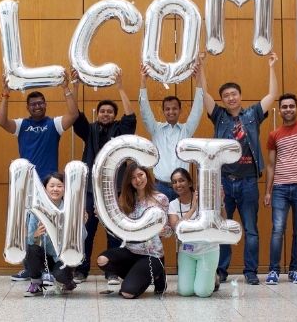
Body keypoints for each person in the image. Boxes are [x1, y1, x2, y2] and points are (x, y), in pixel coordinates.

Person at [203, 52, 279, 285]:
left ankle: (250, 272)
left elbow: (273, 95)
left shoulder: (253, 114)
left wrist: (272, 67)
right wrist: (202, 68)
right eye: (226, 96)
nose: (230, 98)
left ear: (240, 96)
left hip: (247, 182)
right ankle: (222, 271)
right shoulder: (219, 117)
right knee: (223, 227)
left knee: (251, 228)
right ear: (223, 100)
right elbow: (203, 95)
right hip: (224, 181)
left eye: (234, 94)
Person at [0, 72, 79, 282]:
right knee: (28, 228)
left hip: (49, 187)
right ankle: (31, 269)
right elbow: (1, 121)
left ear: (45, 105)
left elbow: (74, 114)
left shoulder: (54, 124)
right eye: (33, 104)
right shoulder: (21, 125)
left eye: (40, 103)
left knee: (50, 226)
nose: (37, 106)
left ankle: (51, 266)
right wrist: (5, 94)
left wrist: (66, 88)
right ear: (28, 107)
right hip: (26, 187)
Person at [72, 69, 137, 285]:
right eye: (103, 111)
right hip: (90, 191)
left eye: (110, 111)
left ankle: (112, 272)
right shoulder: (88, 129)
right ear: (97, 114)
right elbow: (74, 114)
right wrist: (75, 86)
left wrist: (120, 87)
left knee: (114, 233)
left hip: (115, 191)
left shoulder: (121, 130)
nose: (106, 114)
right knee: (86, 231)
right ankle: (81, 270)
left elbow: (131, 117)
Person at [264, 68, 297, 285]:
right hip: (281, 189)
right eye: (284, 106)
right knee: (277, 230)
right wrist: (267, 192)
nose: (288, 109)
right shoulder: (274, 135)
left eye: (291, 106)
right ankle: (274, 271)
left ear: (296, 109)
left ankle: (295, 270)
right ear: (280, 110)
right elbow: (271, 166)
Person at [96, 163, 171, 299]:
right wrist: (102, 217)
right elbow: (118, 228)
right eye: (133, 177)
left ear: (147, 175)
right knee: (102, 260)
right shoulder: (126, 200)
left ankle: (157, 274)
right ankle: (137, 275)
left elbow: (169, 230)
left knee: (127, 293)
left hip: (151, 254)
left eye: (140, 175)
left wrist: (164, 231)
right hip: (130, 251)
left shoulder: (161, 199)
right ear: (129, 181)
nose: (138, 180)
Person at [139, 55, 205, 200]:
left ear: (180, 110)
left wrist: (199, 80)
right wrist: (143, 81)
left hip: (182, 188)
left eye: (174, 108)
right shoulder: (155, 129)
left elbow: (198, 109)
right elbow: (144, 111)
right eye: (167, 109)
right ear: (163, 111)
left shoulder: (186, 130)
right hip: (159, 187)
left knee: (182, 222)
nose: (171, 112)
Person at [23, 172, 83, 296]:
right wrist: (35, 235)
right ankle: (36, 283)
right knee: (31, 249)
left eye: (59, 186)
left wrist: (81, 224)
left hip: (62, 257)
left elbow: (82, 238)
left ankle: (67, 280)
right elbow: (28, 240)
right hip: (43, 255)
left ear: (65, 189)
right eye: (52, 186)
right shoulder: (37, 209)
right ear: (45, 189)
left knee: (61, 275)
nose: (55, 189)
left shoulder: (71, 209)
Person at [167, 168, 219, 297]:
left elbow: (221, 219)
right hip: (186, 251)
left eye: (181, 180)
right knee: (185, 292)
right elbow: (177, 228)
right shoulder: (173, 205)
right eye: (174, 182)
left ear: (190, 183)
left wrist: (220, 202)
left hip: (207, 249)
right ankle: (202, 275)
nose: (178, 185)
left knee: (202, 292)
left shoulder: (205, 200)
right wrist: (193, 208)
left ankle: (212, 277)